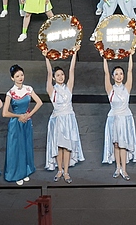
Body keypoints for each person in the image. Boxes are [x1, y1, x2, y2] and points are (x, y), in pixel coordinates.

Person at [46, 51, 83, 183]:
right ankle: (59, 170)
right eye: (58, 75)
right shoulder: (51, 89)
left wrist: (75, 53)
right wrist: (46, 57)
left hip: (69, 119)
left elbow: (72, 69)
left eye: (62, 74)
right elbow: (49, 73)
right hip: (57, 120)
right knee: (59, 146)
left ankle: (66, 171)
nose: (61, 77)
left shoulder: (69, 87)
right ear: (54, 78)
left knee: (67, 146)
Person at [102, 51, 136, 179]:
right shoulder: (110, 88)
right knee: (116, 144)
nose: (119, 76)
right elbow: (106, 73)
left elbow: (130, 70)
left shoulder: (127, 87)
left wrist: (130, 55)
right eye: (116, 74)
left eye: (120, 74)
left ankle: (124, 169)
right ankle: (118, 167)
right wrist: (104, 58)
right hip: (113, 118)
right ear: (113, 76)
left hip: (125, 118)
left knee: (123, 144)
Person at [4, 65, 41, 186]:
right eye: (17, 76)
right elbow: (4, 113)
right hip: (16, 123)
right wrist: (19, 116)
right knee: (16, 148)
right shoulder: (10, 93)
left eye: (21, 75)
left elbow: (39, 102)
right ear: (12, 78)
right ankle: (16, 174)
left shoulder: (28, 89)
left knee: (26, 145)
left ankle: (25, 171)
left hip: (27, 121)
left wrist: (28, 114)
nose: (20, 78)